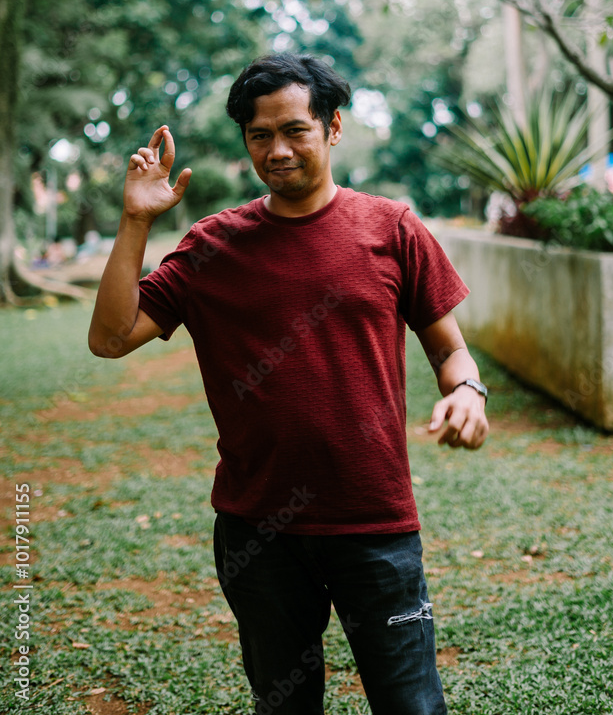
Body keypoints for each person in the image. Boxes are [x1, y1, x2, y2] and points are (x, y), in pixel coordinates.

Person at [89, 52, 489, 715]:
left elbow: (452, 352)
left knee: (412, 705)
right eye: (258, 135)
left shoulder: (392, 229)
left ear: (331, 128)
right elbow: (110, 338)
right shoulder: (211, 247)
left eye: (294, 130)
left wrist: (467, 393)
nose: (275, 150)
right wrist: (136, 221)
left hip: (376, 524)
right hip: (258, 533)